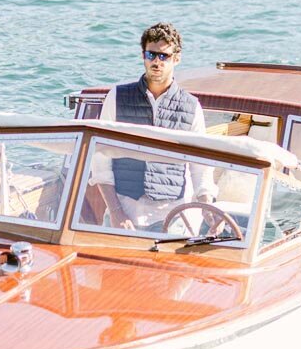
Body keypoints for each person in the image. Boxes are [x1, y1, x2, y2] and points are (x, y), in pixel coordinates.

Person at [91, 22, 215, 229]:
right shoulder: (117, 97)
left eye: (164, 56)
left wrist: (207, 207)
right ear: (143, 56)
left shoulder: (191, 106)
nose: (156, 62)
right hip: (124, 211)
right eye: (151, 55)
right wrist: (115, 211)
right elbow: (101, 159)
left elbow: (201, 167)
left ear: (177, 58)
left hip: (173, 216)